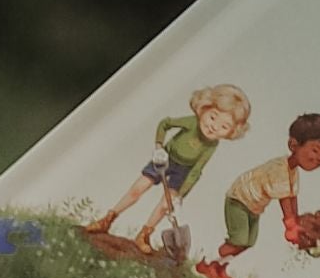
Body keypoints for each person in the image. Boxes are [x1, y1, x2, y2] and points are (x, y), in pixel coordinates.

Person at [85, 82, 251, 250]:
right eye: (213, 117)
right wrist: (158, 147)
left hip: (183, 171)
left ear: (231, 132)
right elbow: (165, 123)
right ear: (204, 108)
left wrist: (180, 196)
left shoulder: (212, 145)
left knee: (166, 204)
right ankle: (107, 219)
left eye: (224, 126)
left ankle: (144, 235)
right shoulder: (192, 122)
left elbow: (196, 171)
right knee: (138, 189)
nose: (214, 126)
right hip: (166, 158)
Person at [197, 111, 320, 278]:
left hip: (253, 206)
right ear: (294, 145)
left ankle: (219, 266)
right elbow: (285, 200)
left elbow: (292, 197)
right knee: (238, 240)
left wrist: (297, 221)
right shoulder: (279, 168)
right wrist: (291, 226)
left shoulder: (293, 172)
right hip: (239, 199)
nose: (319, 158)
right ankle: (205, 262)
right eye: (315, 150)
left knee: (248, 242)